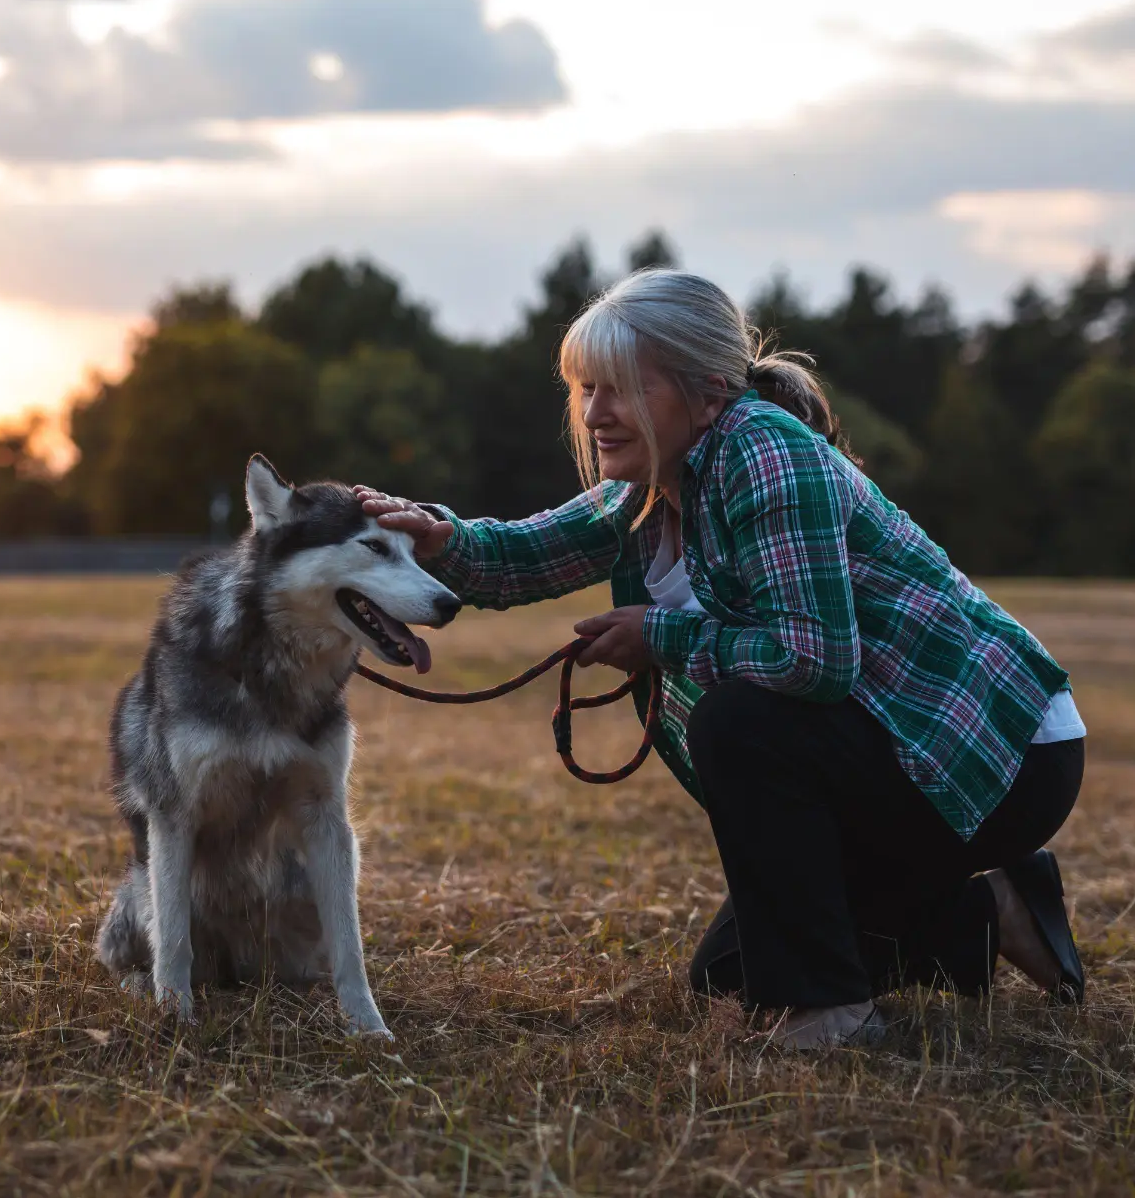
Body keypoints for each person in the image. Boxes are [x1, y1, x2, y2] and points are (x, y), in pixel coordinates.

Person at [355, 268, 1087, 1050]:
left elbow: (815, 659)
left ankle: (835, 1014)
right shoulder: (651, 481)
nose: (596, 413)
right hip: (891, 756)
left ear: (706, 394)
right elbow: (523, 554)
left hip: (993, 754)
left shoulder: (765, 453)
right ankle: (992, 910)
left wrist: (658, 637)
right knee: (730, 975)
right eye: (586, 389)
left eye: (622, 388)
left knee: (741, 719)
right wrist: (439, 535)